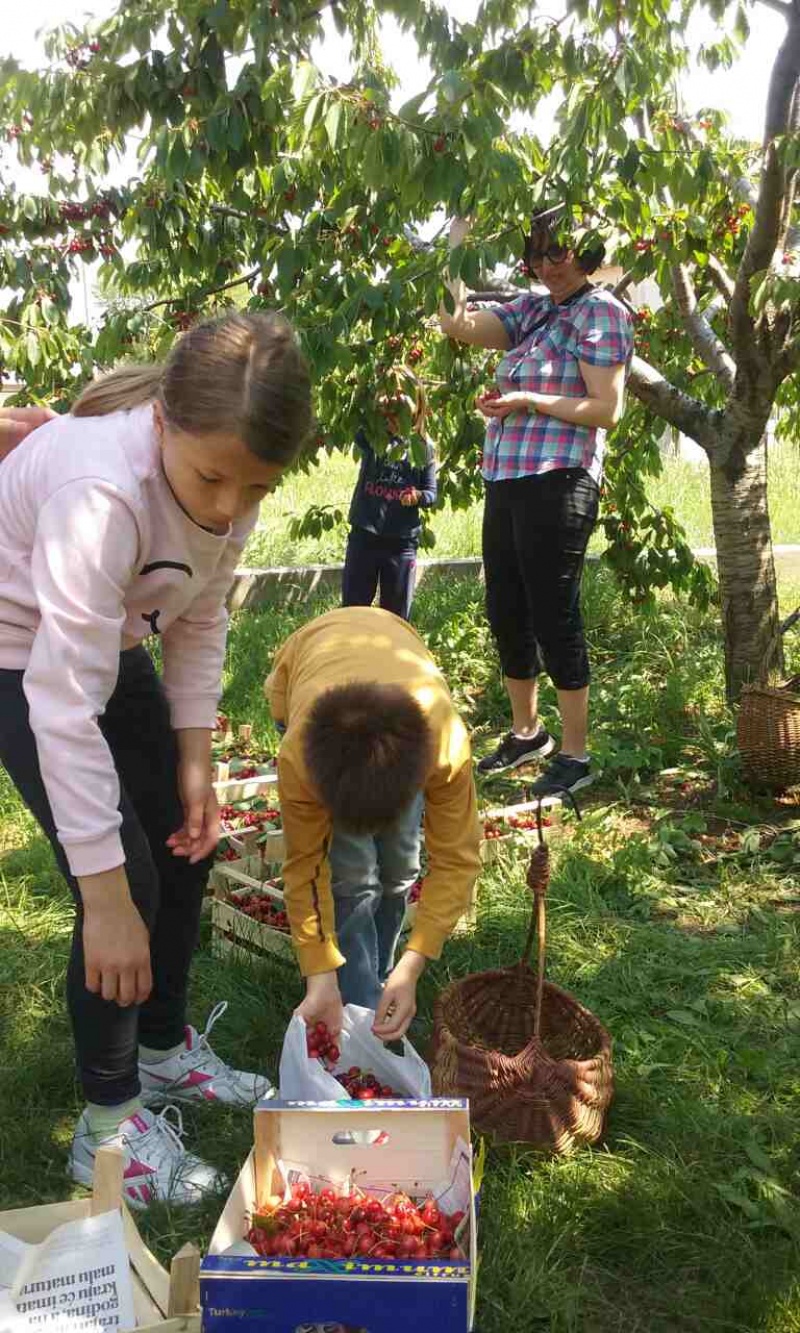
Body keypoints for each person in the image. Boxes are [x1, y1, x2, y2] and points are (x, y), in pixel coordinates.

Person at [0, 311, 312, 1205]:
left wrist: (194, 766)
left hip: (104, 635)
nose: (227, 508)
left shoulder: (230, 471)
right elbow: (63, 702)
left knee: (183, 833)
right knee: (127, 879)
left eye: (255, 488)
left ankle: (163, 1048)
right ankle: (107, 1132)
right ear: (164, 423)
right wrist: (104, 899)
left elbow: (200, 618)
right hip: (18, 651)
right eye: (211, 479)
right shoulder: (99, 497)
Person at [439, 204, 633, 796]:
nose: (546, 266)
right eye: (536, 255)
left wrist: (528, 399)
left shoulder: (601, 312)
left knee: (553, 610)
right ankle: (528, 733)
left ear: (586, 251)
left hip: (561, 478)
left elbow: (606, 409)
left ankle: (576, 754)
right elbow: (455, 323)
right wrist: (457, 240)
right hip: (507, 475)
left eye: (558, 253)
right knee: (506, 604)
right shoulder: (532, 309)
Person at [264, 606, 482, 1040]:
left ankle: (386, 973)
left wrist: (414, 963)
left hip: (392, 643)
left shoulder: (445, 746)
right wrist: (319, 972)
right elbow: (305, 867)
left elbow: (457, 859)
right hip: (310, 657)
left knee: (400, 865)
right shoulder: (301, 757)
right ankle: (359, 1003)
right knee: (351, 875)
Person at [341, 376, 437, 621]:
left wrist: (416, 496)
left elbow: (431, 493)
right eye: (390, 409)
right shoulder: (373, 438)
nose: (394, 415)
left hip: (401, 543)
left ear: (416, 409)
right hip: (364, 535)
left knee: (396, 616)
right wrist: (381, 391)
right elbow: (360, 416)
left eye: (402, 409)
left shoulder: (423, 447)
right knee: (353, 611)